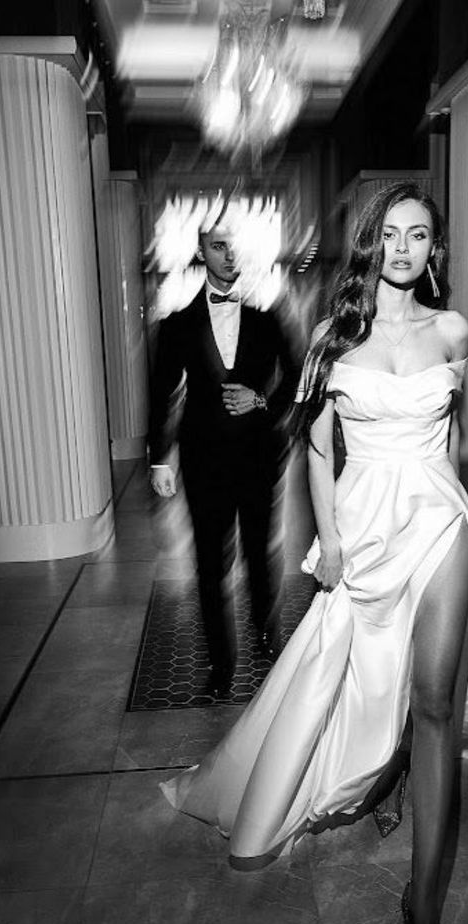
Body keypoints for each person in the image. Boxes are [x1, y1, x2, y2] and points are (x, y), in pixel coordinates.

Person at [160, 181, 468, 924]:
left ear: (433, 249)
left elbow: (453, 435)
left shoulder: (454, 329)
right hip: (367, 528)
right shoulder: (334, 339)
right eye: (392, 234)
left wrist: (448, 492)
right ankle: (387, 772)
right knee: (363, 682)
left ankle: (424, 911)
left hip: (439, 522)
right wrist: (332, 540)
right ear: (372, 246)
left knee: (438, 703)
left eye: (420, 235)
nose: (405, 247)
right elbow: (311, 444)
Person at [148, 217, 300, 698]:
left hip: (258, 456)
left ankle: (264, 636)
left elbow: (299, 379)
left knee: (260, 554)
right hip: (203, 460)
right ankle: (219, 664)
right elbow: (161, 392)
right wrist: (159, 458)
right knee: (210, 565)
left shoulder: (267, 316)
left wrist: (262, 402)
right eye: (218, 247)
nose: (229, 256)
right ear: (202, 253)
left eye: (235, 247)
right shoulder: (177, 324)